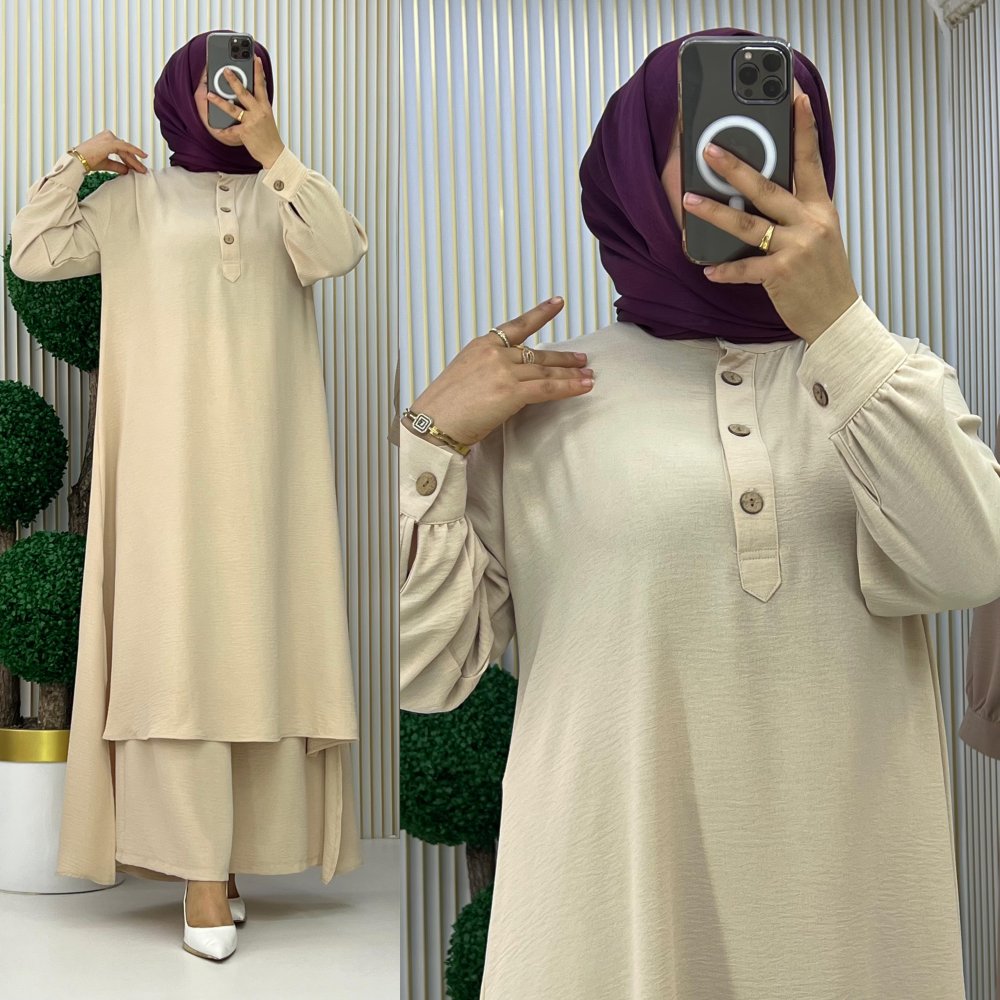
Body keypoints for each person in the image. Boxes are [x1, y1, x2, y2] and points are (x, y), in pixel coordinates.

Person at [398, 25, 1000, 1000]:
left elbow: (971, 565)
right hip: (611, 917)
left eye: (778, 139)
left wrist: (841, 326)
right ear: (636, 168)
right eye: (715, 136)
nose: (746, 166)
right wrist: (426, 441)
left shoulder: (890, 380)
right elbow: (422, 670)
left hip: (842, 924)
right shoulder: (544, 399)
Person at [9, 30, 367, 962]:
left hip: (270, 475)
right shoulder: (133, 202)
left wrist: (275, 153)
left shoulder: (288, 194)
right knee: (178, 658)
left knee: (256, 649)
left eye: (247, 82)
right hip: (165, 476)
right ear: (182, 92)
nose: (229, 96)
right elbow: (33, 253)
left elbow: (339, 251)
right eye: (216, 83)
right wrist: (78, 161)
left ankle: (232, 859)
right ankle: (199, 874)